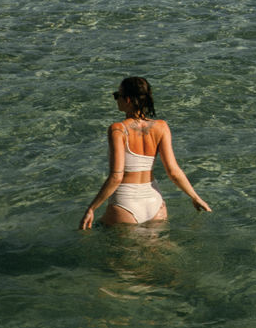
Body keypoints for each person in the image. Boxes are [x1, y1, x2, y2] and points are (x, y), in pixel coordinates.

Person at [79, 76, 211, 229]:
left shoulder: (118, 129)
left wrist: (91, 208)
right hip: (154, 202)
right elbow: (173, 171)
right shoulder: (161, 127)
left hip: (125, 203)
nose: (116, 99)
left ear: (127, 99)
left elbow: (116, 177)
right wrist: (195, 197)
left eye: (117, 95)